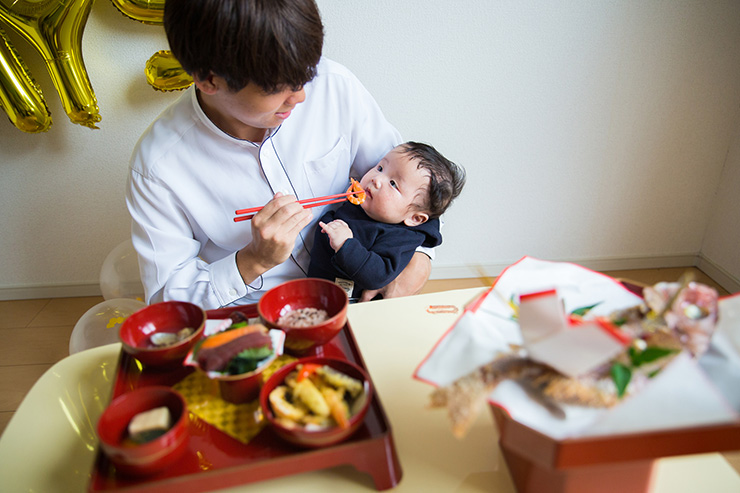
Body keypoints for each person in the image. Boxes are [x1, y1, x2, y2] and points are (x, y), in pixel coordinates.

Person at [125, 0, 433, 309]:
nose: (300, 96)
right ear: (208, 79)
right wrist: (252, 261)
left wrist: (421, 258)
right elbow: (166, 300)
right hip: (254, 311)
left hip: (358, 296)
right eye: (278, 88)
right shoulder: (157, 166)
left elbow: (414, 181)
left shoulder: (335, 87)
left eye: (306, 75)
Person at [308, 142, 465, 300]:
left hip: (354, 304)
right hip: (315, 290)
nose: (376, 179)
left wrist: (346, 244)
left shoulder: (401, 238)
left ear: (415, 218)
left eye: (393, 184)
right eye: (380, 168)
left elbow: (376, 276)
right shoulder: (363, 204)